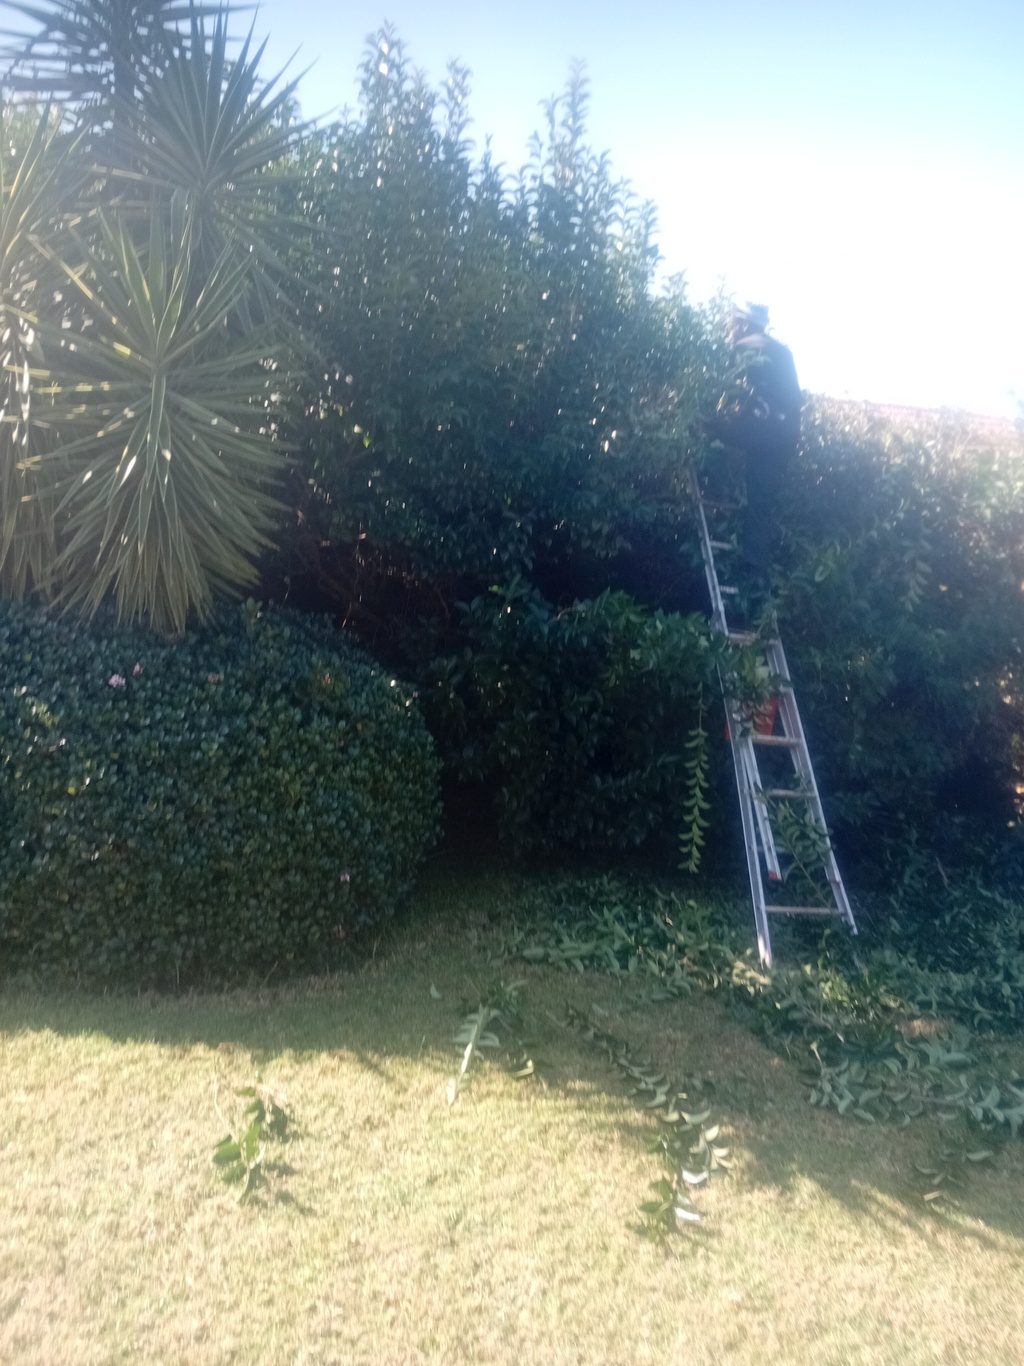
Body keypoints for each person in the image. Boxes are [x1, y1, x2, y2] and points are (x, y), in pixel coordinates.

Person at [705, 302, 802, 587]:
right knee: (761, 507)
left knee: (708, 426)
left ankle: (717, 496)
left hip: (764, 429)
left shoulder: (745, 347)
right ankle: (754, 577)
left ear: (744, 324)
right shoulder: (783, 351)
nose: (730, 329)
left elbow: (727, 390)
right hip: (785, 436)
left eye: (732, 323)